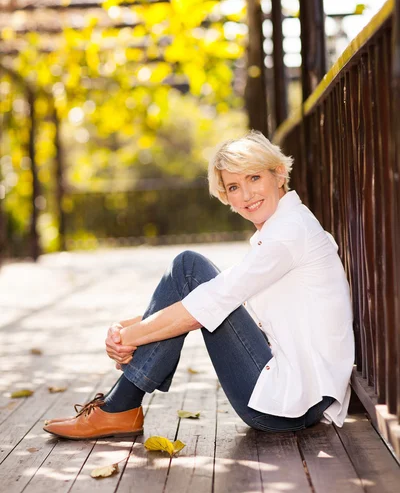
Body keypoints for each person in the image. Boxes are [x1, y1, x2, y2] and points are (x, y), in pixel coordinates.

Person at [43, 131, 354, 440]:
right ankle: (120, 407)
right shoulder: (287, 226)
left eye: (254, 178)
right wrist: (126, 329)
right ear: (226, 196)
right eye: (234, 186)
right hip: (298, 395)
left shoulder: (287, 235)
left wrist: (128, 338)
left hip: (291, 404)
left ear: (279, 173)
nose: (246, 195)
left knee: (189, 269)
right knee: (194, 278)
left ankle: (119, 407)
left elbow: (206, 305)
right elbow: (218, 295)